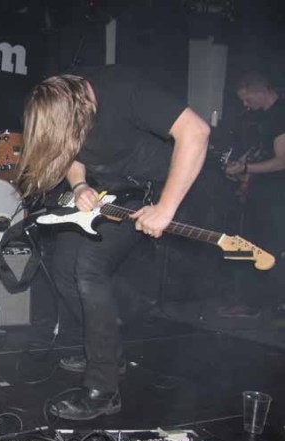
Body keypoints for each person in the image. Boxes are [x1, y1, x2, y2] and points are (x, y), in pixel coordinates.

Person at [17, 66, 210, 420]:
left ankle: (103, 390)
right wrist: (79, 185)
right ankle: (107, 354)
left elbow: (196, 131)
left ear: (82, 111)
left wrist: (166, 208)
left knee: (88, 268)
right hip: (108, 193)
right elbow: (73, 154)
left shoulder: (125, 90)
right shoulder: (68, 107)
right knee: (63, 268)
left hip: (153, 193)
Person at [220, 71, 285, 318]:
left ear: (260, 90)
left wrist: (246, 168)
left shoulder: (280, 115)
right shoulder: (266, 117)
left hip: (277, 195)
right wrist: (243, 166)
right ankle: (252, 302)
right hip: (265, 193)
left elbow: (282, 161)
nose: (246, 105)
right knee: (252, 243)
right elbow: (263, 152)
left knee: (266, 245)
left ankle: (257, 303)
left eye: (247, 99)